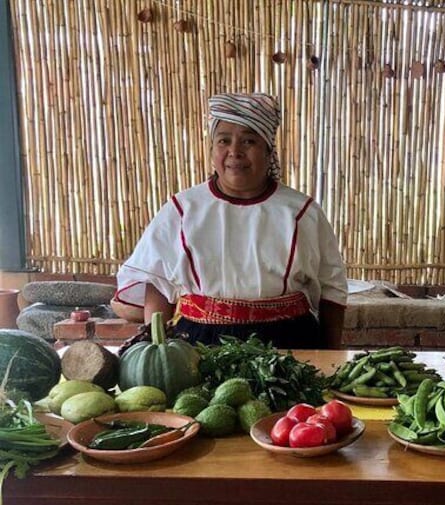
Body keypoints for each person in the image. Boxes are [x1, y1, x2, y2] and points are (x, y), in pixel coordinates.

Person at [113, 92, 348, 349]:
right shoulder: (181, 210)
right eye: (223, 140)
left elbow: (331, 289)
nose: (235, 151)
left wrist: (330, 356)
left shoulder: (302, 212)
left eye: (249, 141)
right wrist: (157, 352)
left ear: (269, 151)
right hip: (197, 343)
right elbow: (157, 284)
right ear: (212, 150)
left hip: (288, 343)